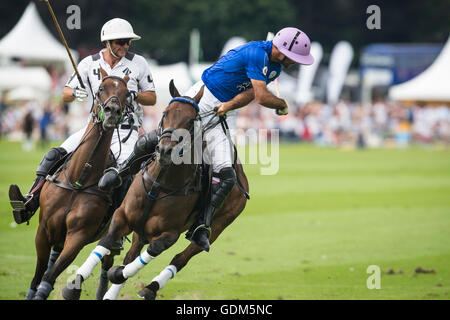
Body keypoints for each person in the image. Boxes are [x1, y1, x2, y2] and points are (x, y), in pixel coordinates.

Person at [100, 27, 314, 252]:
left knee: (228, 175)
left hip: (222, 110)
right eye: (295, 58)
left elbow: (251, 93)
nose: (296, 62)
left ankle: (201, 225)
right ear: (282, 51)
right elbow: (261, 96)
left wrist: (229, 106)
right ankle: (120, 172)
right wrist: (281, 104)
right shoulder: (256, 54)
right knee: (163, 141)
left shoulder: (275, 66)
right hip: (203, 97)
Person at [9, 18, 157, 225]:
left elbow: (152, 97)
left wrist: (133, 95)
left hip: (125, 129)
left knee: (123, 170)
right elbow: (65, 93)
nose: (125, 46)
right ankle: (30, 201)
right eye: (120, 42)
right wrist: (75, 92)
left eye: (128, 42)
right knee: (55, 154)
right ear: (108, 42)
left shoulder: (138, 63)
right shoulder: (89, 63)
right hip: (95, 126)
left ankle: (119, 222)